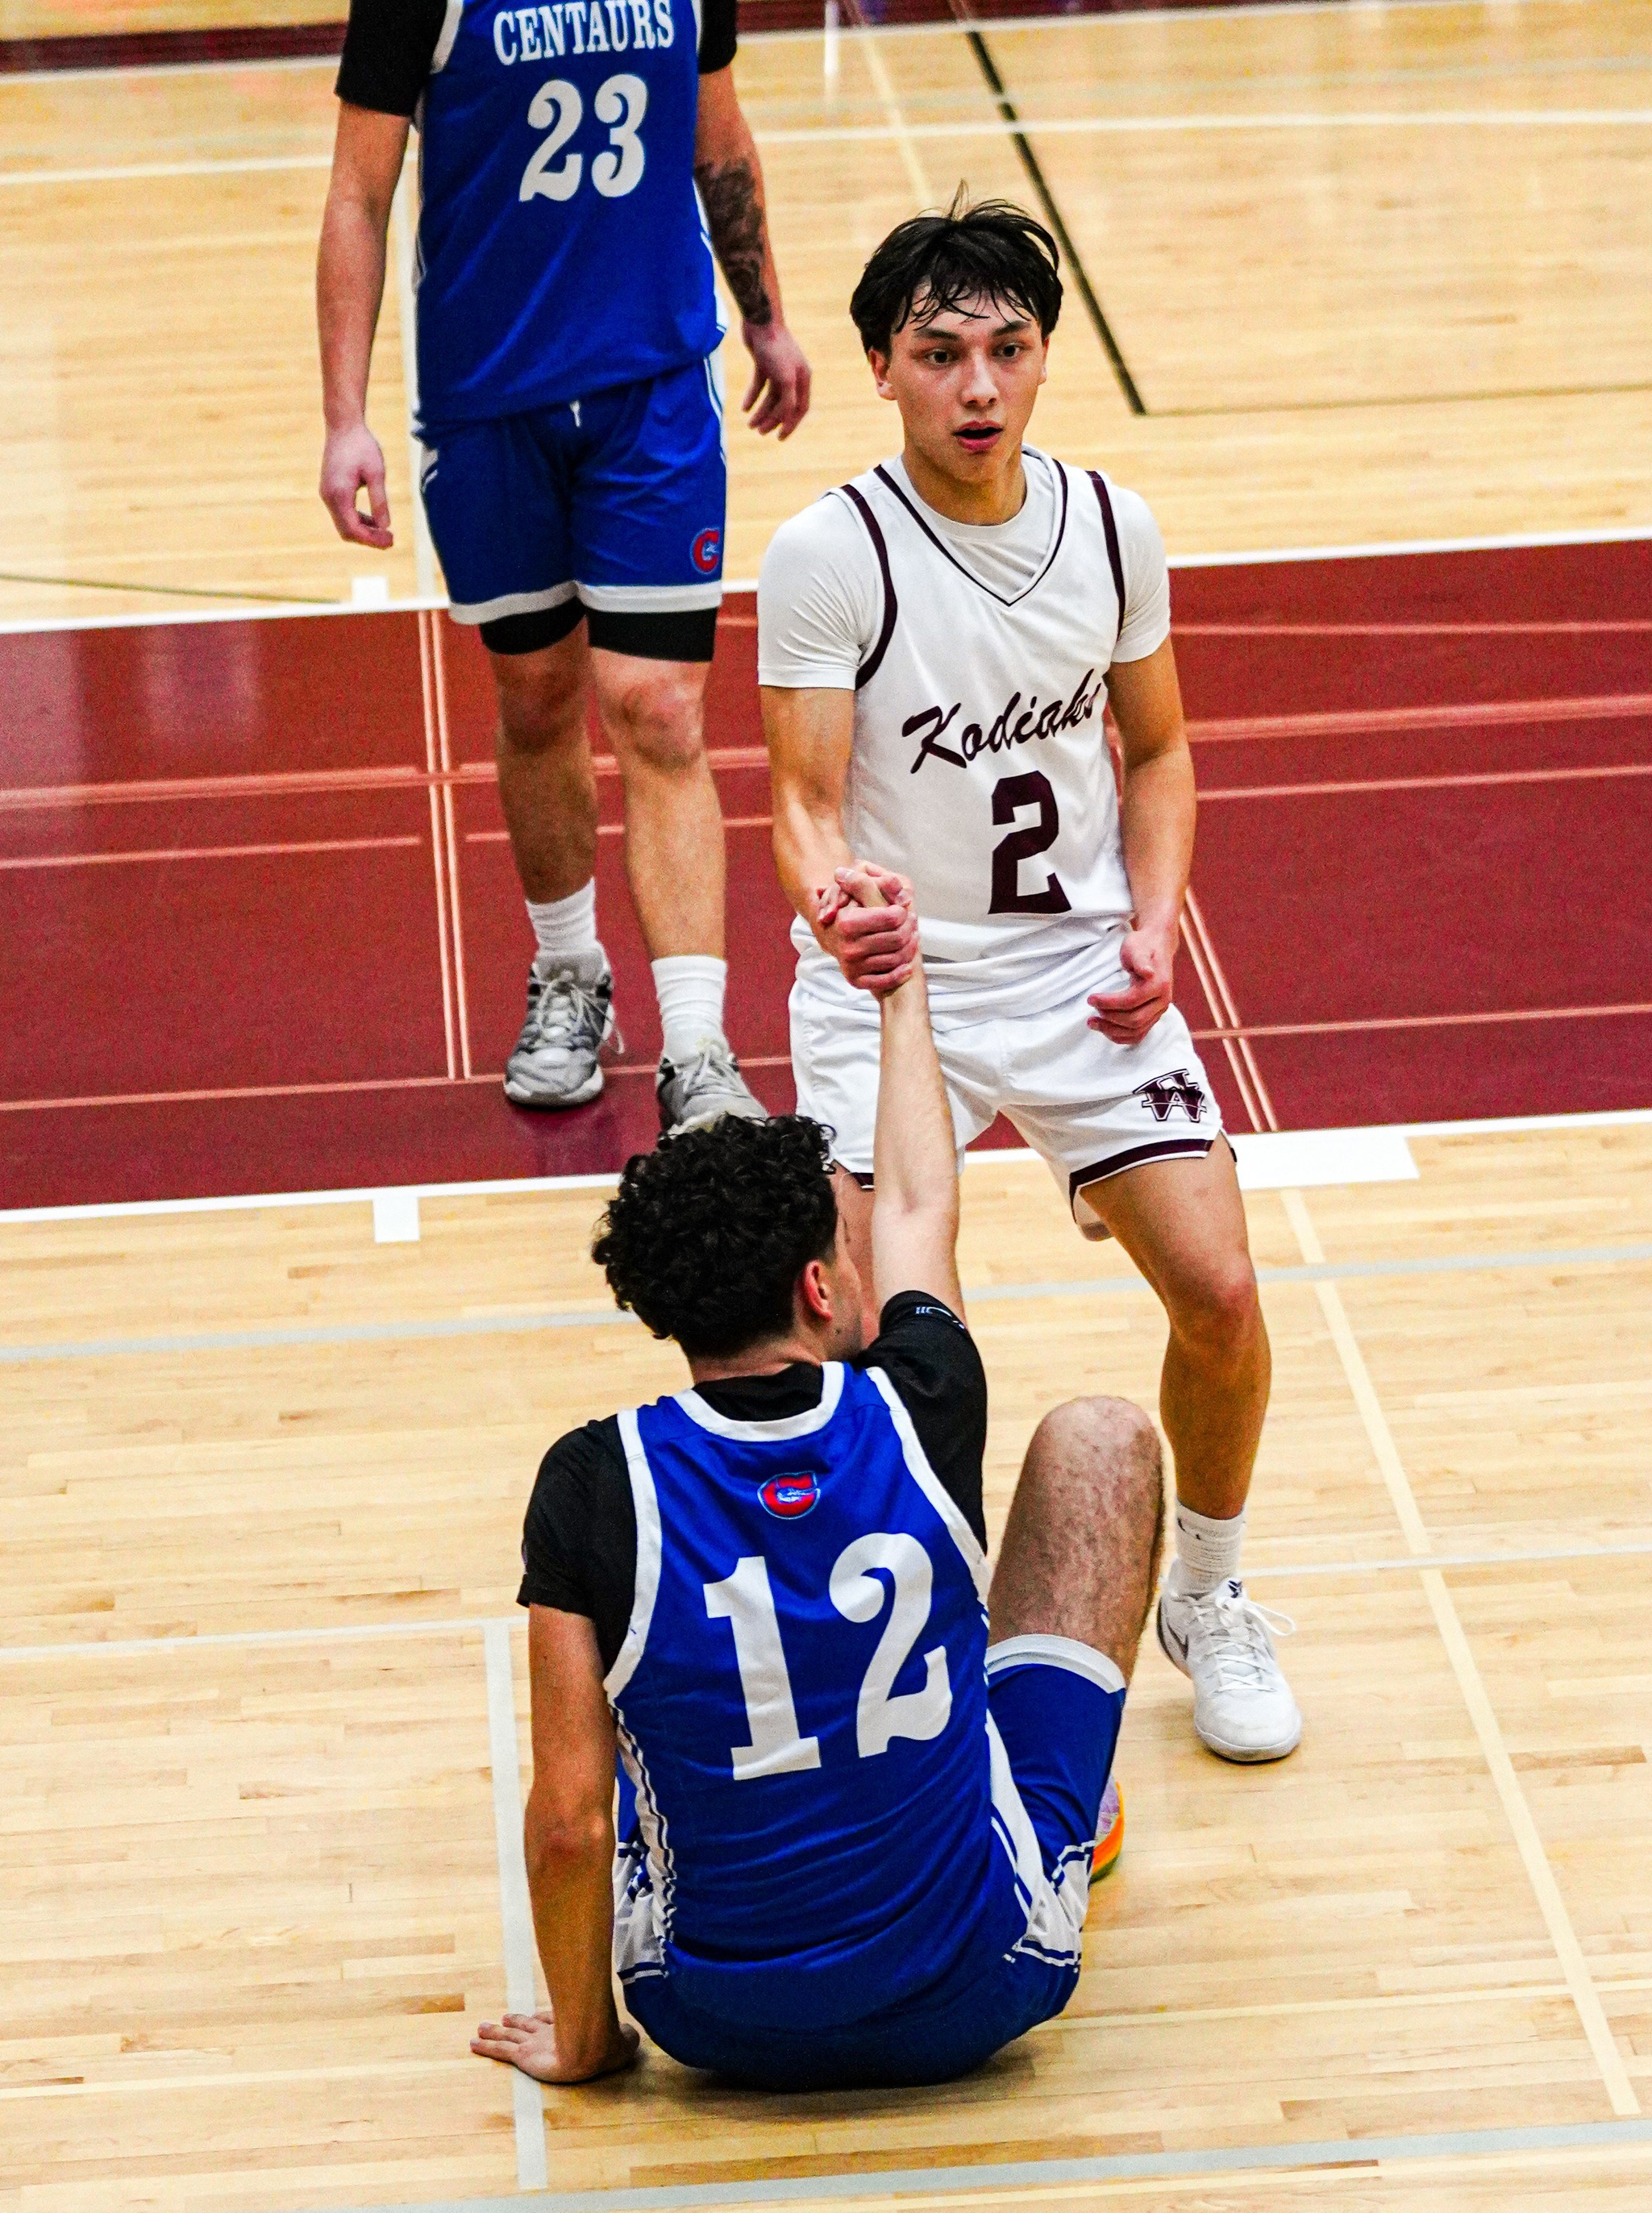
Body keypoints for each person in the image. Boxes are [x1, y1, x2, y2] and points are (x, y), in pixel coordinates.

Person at [756, 198, 1300, 1767]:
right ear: (881, 367)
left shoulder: (1111, 527)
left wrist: (1156, 921)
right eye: (940, 355)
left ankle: (1206, 1591)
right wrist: (832, 900)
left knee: (1220, 1294)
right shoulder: (827, 556)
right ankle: (907, 1654)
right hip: (894, 993)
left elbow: (1161, 750)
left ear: (1044, 359)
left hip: (1077, 975)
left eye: (1006, 349)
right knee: (874, 1340)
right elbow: (795, 799)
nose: (977, 386)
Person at [475, 866, 1163, 2092]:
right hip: (980, 1988)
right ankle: (1050, 1801)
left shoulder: (591, 1478)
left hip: (714, 2026)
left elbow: (570, 1821)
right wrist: (900, 997)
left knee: (643, 1762)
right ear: (818, 1287)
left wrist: (585, 2047)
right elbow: (912, 1198)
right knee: (1106, 1440)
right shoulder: (919, 1400)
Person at [317, 0, 811, 1138]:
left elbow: (717, 141)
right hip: (491, 403)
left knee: (657, 705)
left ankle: (703, 1043)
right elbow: (358, 197)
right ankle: (566, 973)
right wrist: (344, 415)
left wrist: (767, 317)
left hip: (654, 384)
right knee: (536, 702)